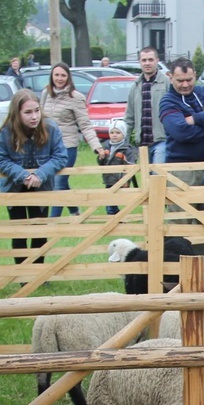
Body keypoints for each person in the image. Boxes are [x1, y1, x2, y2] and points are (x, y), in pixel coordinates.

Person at [0, 89, 67, 265]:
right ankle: (22, 274)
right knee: (19, 230)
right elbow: (1, 158)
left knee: (39, 230)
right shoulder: (6, 132)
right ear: (17, 113)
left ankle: (38, 272)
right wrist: (22, 175)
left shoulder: (50, 128)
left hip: (41, 185)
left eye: (37, 110)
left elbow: (60, 156)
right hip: (13, 186)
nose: (34, 116)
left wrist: (40, 173)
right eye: (28, 112)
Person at [160, 57, 204, 222]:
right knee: (181, 221)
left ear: (195, 75)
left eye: (189, 79)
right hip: (182, 169)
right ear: (170, 77)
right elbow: (181, 131)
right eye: (180, 80)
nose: (185, 84)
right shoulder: (167, 102)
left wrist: (194, 119)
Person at [41, 62, 105, 217]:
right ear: (51, 76)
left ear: (68, 77)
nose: (59, 78)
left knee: (59, 183)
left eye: (63, 75)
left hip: (67, 146)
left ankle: (52, 222)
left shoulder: (76, 98)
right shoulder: (45, 94)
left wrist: (97, 146)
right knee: (60, 182)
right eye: (56, 75)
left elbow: (85, 125)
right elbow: (39, 119)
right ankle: (75, 212)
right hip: (49, 146)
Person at [124, 46, 169, 164]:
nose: (147, 63)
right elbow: (129, 118)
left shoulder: (167, 83)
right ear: (139, 62)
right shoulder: (135, 86)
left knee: (157, 176)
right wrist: (123, 143)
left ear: (157, 60)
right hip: (142, 144)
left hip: (162, 140)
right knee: (146, 179)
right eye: (144, 60)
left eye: (150, 59)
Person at [97, 120, 137, 215]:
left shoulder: (127, 149)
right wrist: (101, 158)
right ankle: (114, 218)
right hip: (109, 178)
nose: (114, 135)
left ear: (123, 134)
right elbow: (101, 163)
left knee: (120, 200)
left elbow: (131, 165)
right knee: (109, 201)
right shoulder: (106, 146)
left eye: (118, 133)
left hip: (121, 180)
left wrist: (125, 179)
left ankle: (118, 217)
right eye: (112, 132)